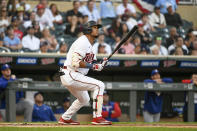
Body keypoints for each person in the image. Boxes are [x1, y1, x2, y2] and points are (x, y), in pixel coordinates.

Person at [58, 20, 112, 125]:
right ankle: (97, 118)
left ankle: (65, 118)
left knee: (84, 99)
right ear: (88, 29)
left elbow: (92, 64)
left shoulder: (90, 45)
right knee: (99, 85)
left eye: (97, 28)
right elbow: (75, 62)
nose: (97, 30)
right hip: (71, 73)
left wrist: (101, 64)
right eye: (95, 27)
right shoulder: (82, 42)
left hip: (72, 74)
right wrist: (94, 66)